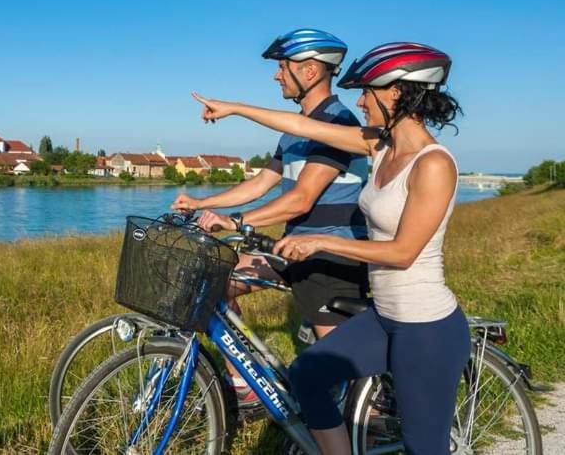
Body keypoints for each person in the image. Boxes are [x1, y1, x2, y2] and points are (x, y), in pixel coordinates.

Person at [192, 42, 468, 455]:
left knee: (422, 445)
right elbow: (303, 126)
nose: (359, 101)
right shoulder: (380, 146)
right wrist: (234, 107)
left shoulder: (433, 163)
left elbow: (403, 252)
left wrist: (321, 239)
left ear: (395, 92)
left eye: (367, 92)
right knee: (308, 375)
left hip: (424, 327)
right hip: (385, 318)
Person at [171, 28, 369, 406]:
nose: (277, 75)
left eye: (282, 67)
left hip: (330, 257)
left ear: (309, 71)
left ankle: (376, 423)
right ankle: (245, 384)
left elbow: (301, 200)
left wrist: (238, 222)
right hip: (292, 250)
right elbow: (262, 182)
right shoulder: (294, 133)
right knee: (218, 282)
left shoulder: (338, 124)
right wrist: (200, 203)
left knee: (352, 375)